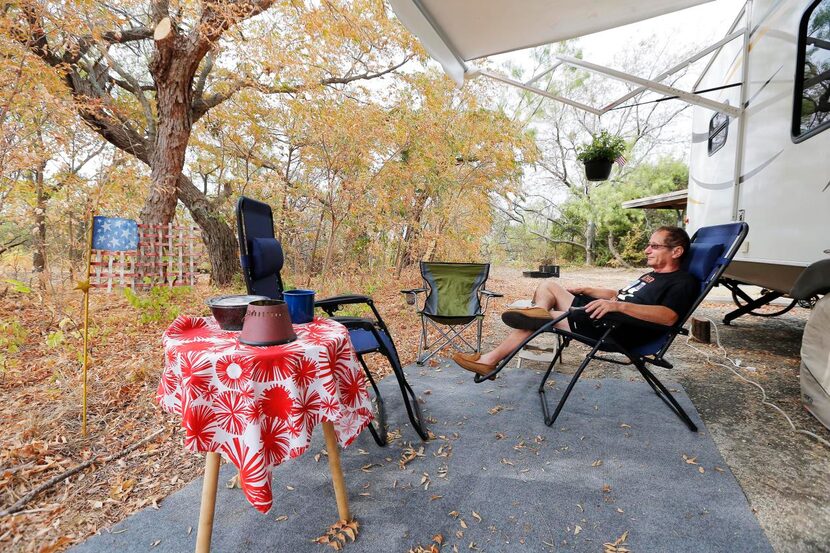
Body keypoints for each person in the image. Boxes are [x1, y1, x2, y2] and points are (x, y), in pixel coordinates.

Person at [452, 226, 700, 377]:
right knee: (548, 285)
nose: (647, 250)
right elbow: (621, 293)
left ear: (676, 251)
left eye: (654, 246)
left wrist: (618, 307)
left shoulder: (682, 281)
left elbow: (668, 317)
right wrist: (591, 289)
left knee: (533, 322)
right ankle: (535, 315)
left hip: (616, 328)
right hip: (604, 313)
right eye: (648, 245)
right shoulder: (651, 276)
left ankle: (490, 361)